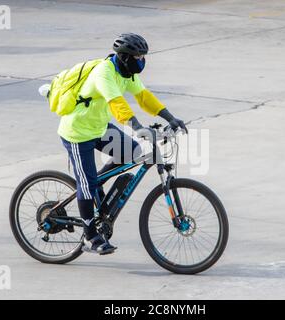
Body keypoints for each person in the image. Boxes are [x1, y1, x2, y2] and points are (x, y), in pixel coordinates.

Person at [57, 33, 187, 254]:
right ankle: (90, 236)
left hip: (98, 128)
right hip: (77, 133)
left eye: (143, 57)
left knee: (133, 153)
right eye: (137, 56)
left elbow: (144, 97)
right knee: (87, 186)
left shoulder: (127, 73)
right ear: (125, 57)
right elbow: (117, 104)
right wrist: (137, 128)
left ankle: (94, 183)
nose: (141, 61)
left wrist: (170, 118)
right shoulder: (104, 72)